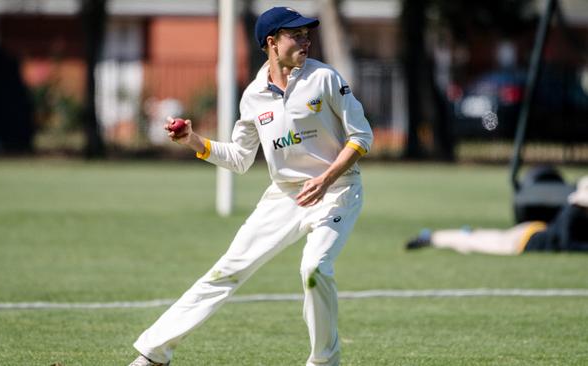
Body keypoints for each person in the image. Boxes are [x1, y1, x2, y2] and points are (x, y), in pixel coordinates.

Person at [129, 7, 373, 366]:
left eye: (307, 34)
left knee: (314, 267)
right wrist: (195, 141)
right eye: (296, 35)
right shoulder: (253, 95)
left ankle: (324, 361)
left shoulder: (325, 78)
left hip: (338, 191)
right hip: (285, 197)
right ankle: (153, 354)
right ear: (272, 43)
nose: (306, 40)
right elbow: (241, 158)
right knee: (227, 270)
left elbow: (362, 136)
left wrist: (326, 179)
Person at [405, 176, 588, 255]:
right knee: (478, 241)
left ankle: (438, 237)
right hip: (524, 240)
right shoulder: (573, 212)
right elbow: (566, 243)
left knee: (481, 237)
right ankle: (433, 238)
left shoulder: (577, 211)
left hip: (531, 232)